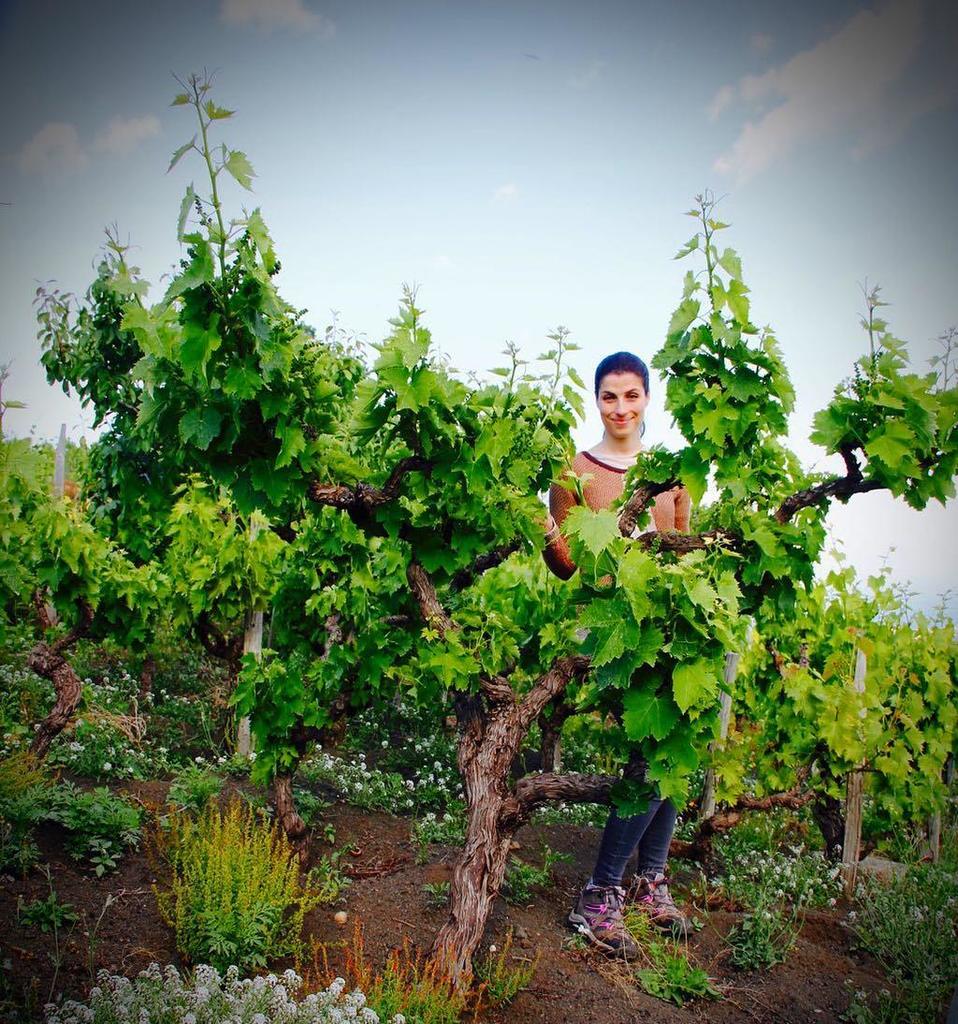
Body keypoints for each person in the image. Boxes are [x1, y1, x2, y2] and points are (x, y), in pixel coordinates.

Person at [542, 351, 692, 956]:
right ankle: (600, 893)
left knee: (677, 748)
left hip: (670, 627)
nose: (621, 408)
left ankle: (650, 880)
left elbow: (686, 549)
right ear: (596, 401)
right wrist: (547, 534)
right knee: (650, 760)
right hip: (613, 633)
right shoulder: (574, 470)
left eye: (632, 396)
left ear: (647, 399)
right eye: (609, 396)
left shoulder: (671, 474)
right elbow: (566, 567)